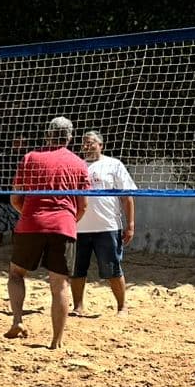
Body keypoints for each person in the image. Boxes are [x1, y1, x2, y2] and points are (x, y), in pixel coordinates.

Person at [6, 117, 91, 349]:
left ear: (48, 134)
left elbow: (15, 198)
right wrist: (67, 221)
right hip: (63, 226)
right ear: (70, 137)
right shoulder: (79, 164)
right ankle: (56, 341)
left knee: (16, 274)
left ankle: (18, 320)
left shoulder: (30, 157)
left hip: (31, 223)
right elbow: (83, 206)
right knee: (60, 285)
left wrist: (31, 214)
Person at [70, 130, 137, 316]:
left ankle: (122, 307)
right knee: (77, 270)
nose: (86, 146)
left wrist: (130, 225)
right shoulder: (76, 165)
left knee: (112, 269)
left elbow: (127, 197)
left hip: (108, 226)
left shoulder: (114, 165)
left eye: (91, 142)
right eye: (84, 143)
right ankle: (78, 306)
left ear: (101, 145)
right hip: (79, 227)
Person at [0, 136, 26, 260]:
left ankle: (16, 258)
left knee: (17, 231)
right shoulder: (1, 156)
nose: (18, 144)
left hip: (18, 200)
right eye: (16, 141)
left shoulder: (26, 158)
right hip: (0, 198)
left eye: (21, 142)